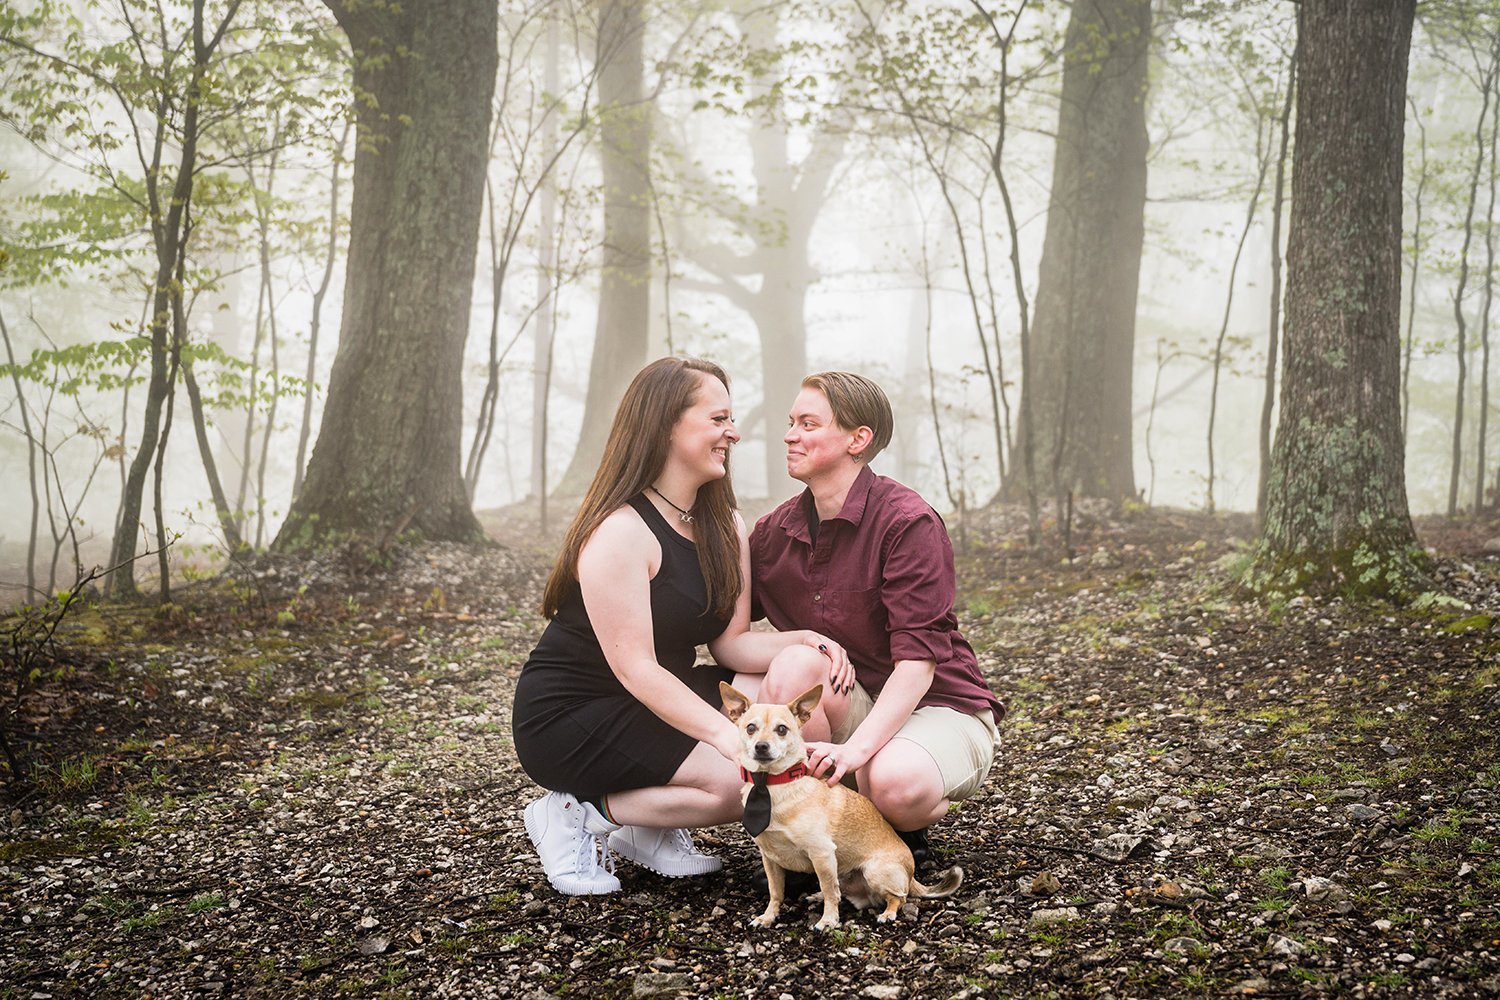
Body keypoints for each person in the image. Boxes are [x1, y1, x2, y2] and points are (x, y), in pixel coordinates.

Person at [512, 357, 853, 895]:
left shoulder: (723, 523)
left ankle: (649, 829)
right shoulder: (620, 532)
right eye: (718, 419)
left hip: (651, 699)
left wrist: (805, 643)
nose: (733, 433)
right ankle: (579, 815)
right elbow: (637, 670)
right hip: (573, 715)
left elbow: (731, 645)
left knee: (784, 688)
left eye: (731, 419)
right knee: (737, 781)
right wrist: (727, 737)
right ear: (667, 423)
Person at [750, 371, 1003, 867]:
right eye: (790, 422)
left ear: (857, 439)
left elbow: (918, 665)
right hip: (857, 702)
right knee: (792, 665)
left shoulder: (907, 522)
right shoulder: (773, 533)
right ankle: (812, 841)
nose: (789, 434)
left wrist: (854, 754)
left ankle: (893, 828)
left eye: (808, 423)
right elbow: (724, 634)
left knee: (891, 782)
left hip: (939, 706)